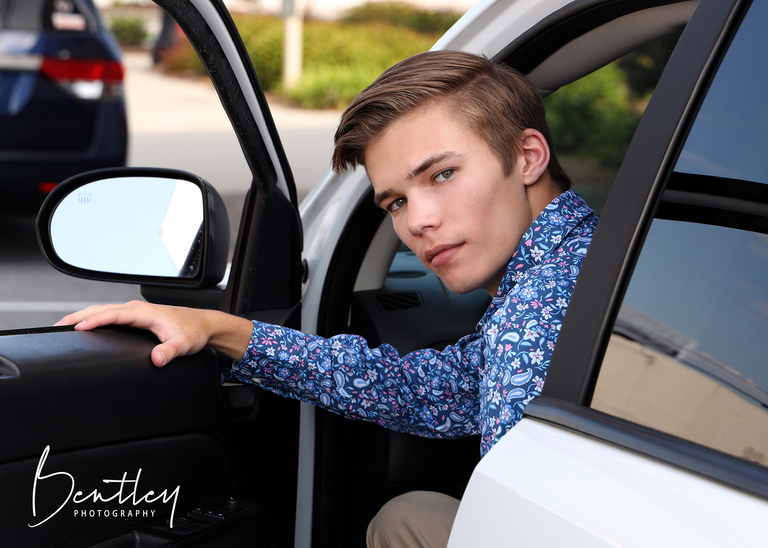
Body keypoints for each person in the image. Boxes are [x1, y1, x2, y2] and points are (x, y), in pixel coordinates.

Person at [57, 50, 598, 548]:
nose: (418, 221)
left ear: (528, 157)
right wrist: (221, 329)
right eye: (395, 202)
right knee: (405, 517)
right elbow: (434, 392)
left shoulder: (552, 299)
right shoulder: (572, 268)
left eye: (444, 174)